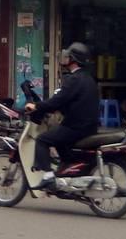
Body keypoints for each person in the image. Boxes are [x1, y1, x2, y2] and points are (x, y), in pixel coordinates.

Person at [24, 42, 99, 189]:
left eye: (68, 57)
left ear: (74, 60)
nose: (65, 59)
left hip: (76, 128)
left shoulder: (73, 80)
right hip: (88, 127)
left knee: (43, 139)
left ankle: (48, 176)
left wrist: (37, 106)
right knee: (59, 137)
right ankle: (68, 169)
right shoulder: (88, 79)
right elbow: (68, 102)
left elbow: (58, 100)